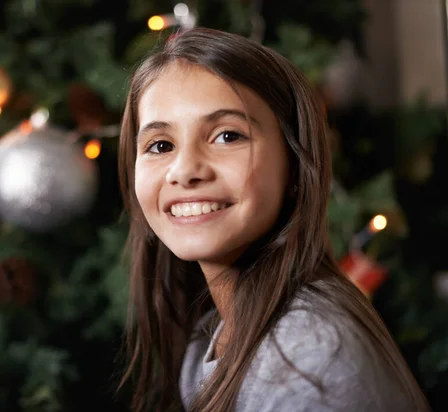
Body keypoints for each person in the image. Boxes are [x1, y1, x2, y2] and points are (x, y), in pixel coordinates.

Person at [116, 27, 429, 412]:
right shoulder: (208, 336)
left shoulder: (310, 360)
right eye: (160, 145)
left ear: (296, 169)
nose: (184, 171)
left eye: (227, 136)